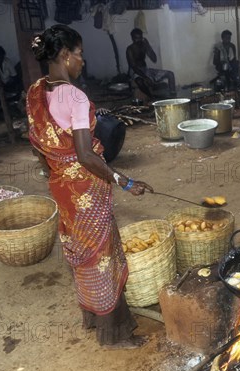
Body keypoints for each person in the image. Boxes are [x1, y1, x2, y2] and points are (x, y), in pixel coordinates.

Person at [27, 25, 153, 349]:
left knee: (79, 254)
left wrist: (54, 173)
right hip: (86, 190)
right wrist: (124, 181)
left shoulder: (36, 92)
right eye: (80, 54)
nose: (83, 61)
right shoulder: (76, 98)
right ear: (65, 55)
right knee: (103, 256)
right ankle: (114, 334)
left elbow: (37, 146)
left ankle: (92, 316)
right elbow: (85, 155)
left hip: (61, 188)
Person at [126, 28, 176, 99]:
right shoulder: (130, 49)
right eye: (136, 38)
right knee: (139, 81)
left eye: (140, 38)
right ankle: (152, 97)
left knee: (170, 74)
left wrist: (148, 45)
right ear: (132, 38)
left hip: (146, 70)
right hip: (135, 72)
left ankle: (173, 95)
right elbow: (134, 67)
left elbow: (154, 59)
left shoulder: (144, 45)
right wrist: (146, 78)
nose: (138, 40)